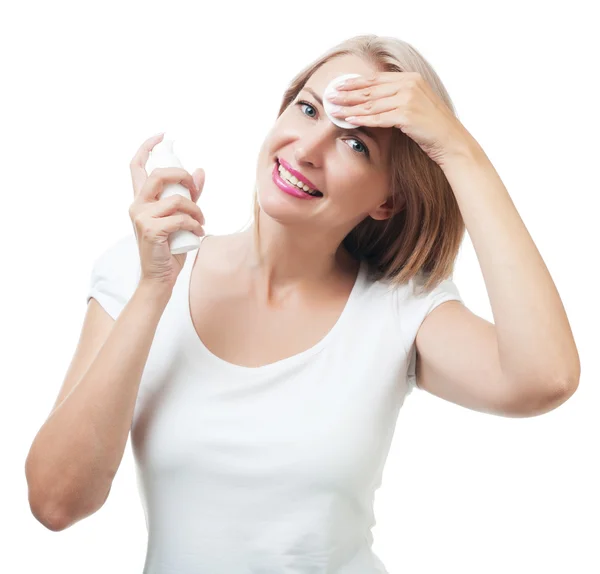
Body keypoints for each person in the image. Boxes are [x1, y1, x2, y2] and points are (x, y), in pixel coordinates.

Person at [25, 34, 580, 572]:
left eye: (356, 143)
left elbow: (545, 377)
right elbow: (56, 503)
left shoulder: (397, 310)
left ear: (389, 200)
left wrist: (457, 148)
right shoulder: (139, 271)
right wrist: (153, 290)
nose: (310, 149)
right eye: (309, 110)